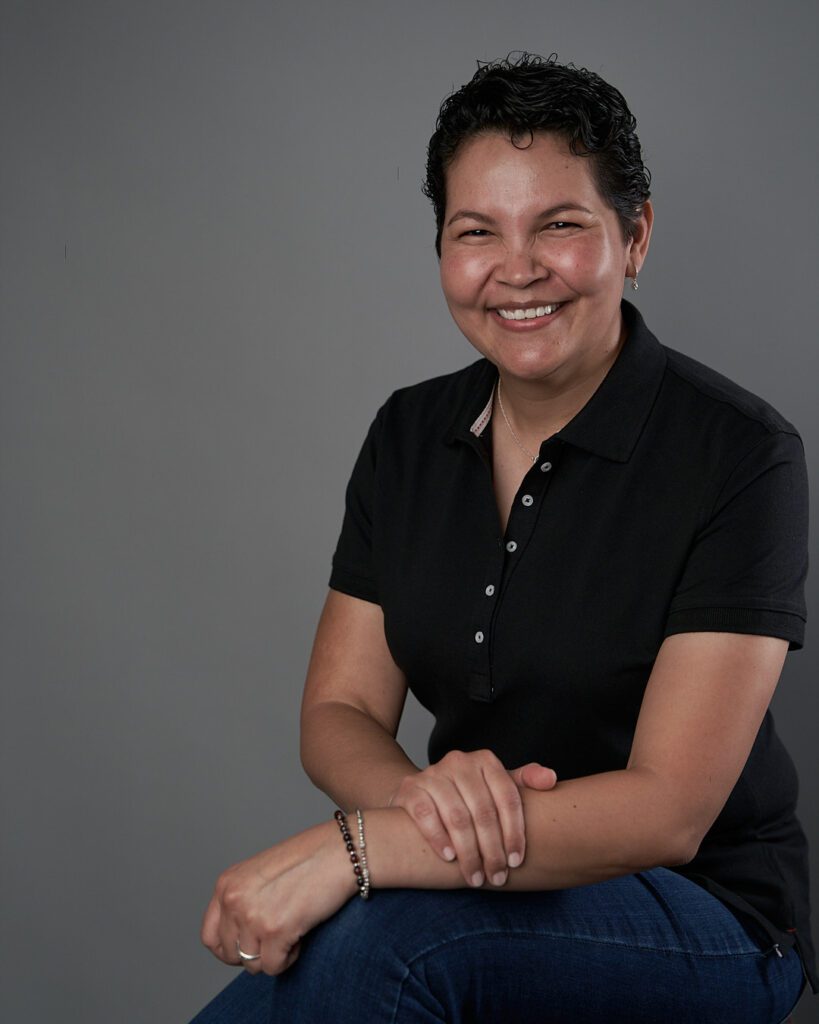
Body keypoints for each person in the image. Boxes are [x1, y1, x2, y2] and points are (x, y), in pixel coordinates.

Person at [192, 53, 814, 1023]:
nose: (516, 269)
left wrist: (363, 848)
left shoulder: (742, 454)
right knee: (351, 953)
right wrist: (428, 806)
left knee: (388, 934)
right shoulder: (408, 431)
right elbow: (342, 707)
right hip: (475, 876)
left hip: (708, 912)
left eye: (560, 224)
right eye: (475, 231)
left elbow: (669, 809)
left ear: (635, 234)